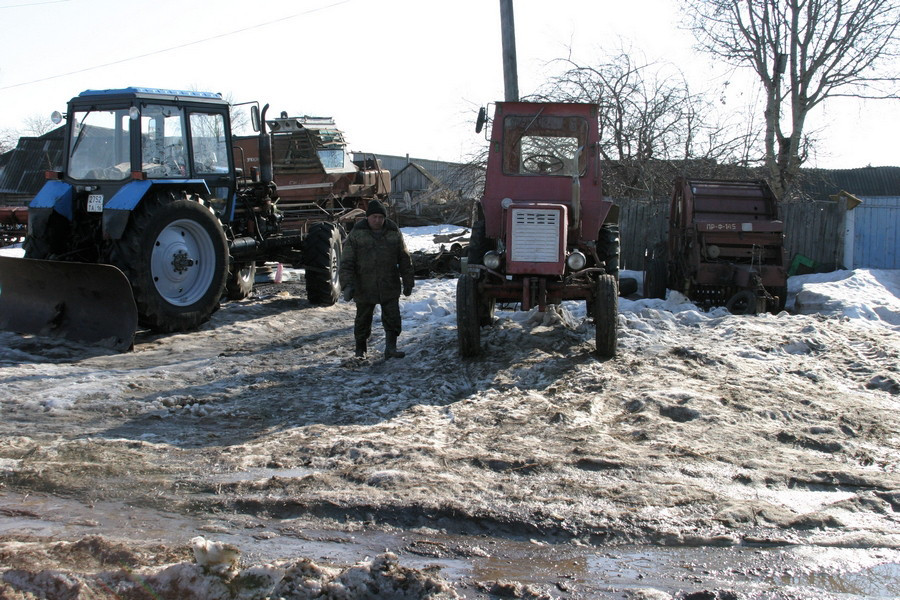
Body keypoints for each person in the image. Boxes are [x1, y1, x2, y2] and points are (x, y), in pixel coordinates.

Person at [339, 199, 415, 358]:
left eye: (381, 217)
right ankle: (360, 350)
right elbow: (347, 261)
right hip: (364, 284)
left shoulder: (393, 232)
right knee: (363, 319)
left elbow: (404, 258)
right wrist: (347, 285)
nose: (378, 220)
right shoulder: (357, 234)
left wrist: (408, 282)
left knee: (393, 318)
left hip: (389, 283)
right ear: (367, 217)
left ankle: (391, 348)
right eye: (374, 217)